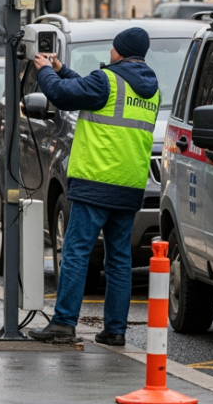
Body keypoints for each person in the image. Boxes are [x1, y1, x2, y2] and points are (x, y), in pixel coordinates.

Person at [28, 27, 160, 346]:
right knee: (118, 259)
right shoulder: (150, 89)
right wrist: (61, 69)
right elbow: (85, 89)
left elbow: (62, 95)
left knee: (76, 253)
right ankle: (115, 330)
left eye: (112, 49)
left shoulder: (107, 80)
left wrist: (44, 71)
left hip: (96, 180)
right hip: (129, 185)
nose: (109, 54)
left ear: (119, 51)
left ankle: (63, 323)